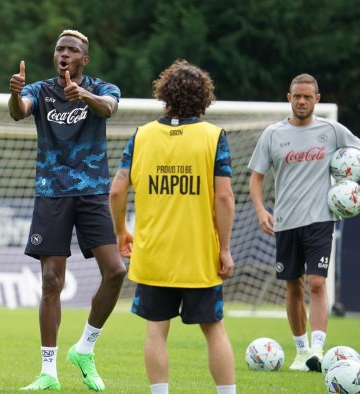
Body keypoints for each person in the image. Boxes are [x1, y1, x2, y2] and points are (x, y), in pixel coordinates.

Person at [9, 29, 126, 392]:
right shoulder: (39, 91)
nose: (64, 54)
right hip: (52, 193)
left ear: (84, 60)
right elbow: (19, 113)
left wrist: (83, 94)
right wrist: (15, 93)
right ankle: (48, 372)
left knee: (116, 271)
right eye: (60, 48)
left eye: (72, 50)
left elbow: (109, 108)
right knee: (51, 282)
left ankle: (84, 348)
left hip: (92, 193)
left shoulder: (103, 87)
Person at [109, 60, 236, 394]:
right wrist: (224, 249)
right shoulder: (214, 137)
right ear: (205, 98)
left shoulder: (142, 135)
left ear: (163, 93)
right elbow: (224, 199)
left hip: (154, 256)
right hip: (199, 256)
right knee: (214, 329)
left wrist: (121, 232)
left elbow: (117, 189)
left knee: (156, 330)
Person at [248, 73, 360, 372]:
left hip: (320, 219)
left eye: (308, 96)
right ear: (289, 98)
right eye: (297, 96)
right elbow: (256, 177)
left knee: (316, 282)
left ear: (318, 99)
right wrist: (262, 210)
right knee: (292, 286)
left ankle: (317, 348)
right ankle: (301, 352)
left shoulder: (332, 130)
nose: (302, 101)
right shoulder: (273, 134)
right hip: (286, 222)